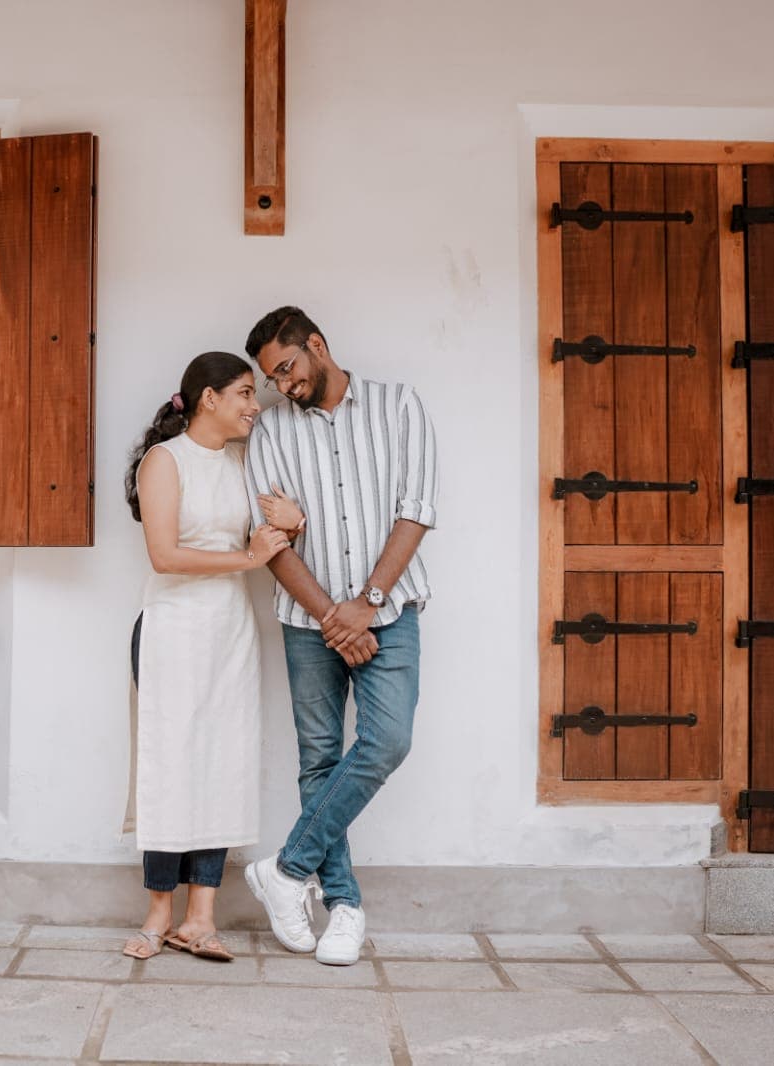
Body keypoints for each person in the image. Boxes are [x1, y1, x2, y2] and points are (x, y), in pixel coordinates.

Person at [240, 306, 439, 966]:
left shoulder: (399, 404)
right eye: (272, 379)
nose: (283, 387)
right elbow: (269, 543)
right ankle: (345, 908)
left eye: (289, 369)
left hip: (392, 610)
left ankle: (288, 870)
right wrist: (335, 616)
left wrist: (369, 602)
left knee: (388, 739)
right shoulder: (269, 430)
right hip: (309, 622)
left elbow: (416, 511)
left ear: (317, 345)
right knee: (320, 759)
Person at [121, 351, 304, 962]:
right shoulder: (163, 462)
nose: (256, 406)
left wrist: (293, 521)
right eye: (247, 394)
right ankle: (157, 911)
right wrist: (247, 561)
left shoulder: (243, 463)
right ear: (209, 399)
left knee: (222, 762)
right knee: (171, 764)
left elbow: (269, 527)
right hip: (173, 628)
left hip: (229, 630)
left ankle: (201, 917)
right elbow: (165, 556)